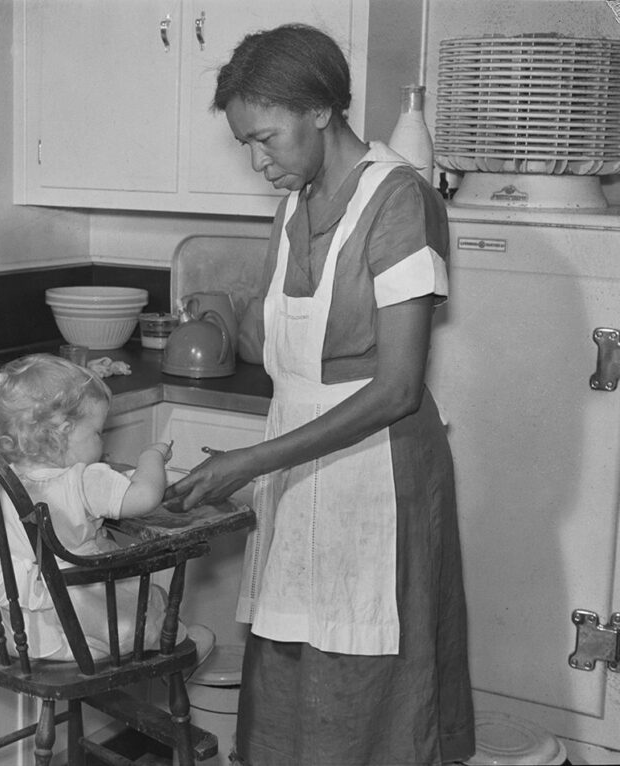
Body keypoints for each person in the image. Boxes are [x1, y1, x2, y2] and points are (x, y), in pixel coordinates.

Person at [163, 24, 475, 766]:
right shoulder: (293, 205)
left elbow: (398, 388)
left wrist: (252, 462)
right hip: (301, 472)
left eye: (266, 138)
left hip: (379, 474)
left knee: (368, 674)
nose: (256, 159)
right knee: (294, 663)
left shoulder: (401, 201)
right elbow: (287, 354)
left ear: (322, 112)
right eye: (246, 142)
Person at [0, 353, 211, 662]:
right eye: (98, 432)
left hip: (23, 637)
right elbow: (145, 496)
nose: (103, 443)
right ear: (64, 431)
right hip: (90, 635)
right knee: (149, 604)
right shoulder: (84, 481)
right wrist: (152, 456)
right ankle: (178, 648)